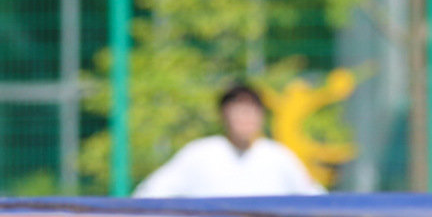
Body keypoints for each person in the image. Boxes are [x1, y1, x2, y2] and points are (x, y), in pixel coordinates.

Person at [132, 83, 326, 199]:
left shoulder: (278, 156)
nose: (245, 117)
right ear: (223, 114)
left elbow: (315, 198)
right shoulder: (200, 154)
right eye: (238, 110)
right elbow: (151, 193)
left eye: (251, 110)